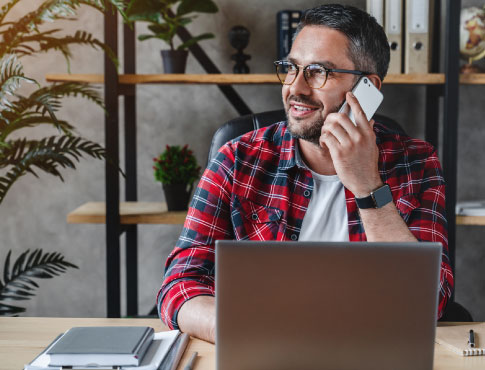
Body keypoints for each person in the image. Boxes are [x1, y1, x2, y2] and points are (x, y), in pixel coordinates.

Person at [157, 4, 453, 343]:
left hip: (370, 353)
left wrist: (367, 186)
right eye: (291, 68)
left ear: (367, 89)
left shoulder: (416, 162)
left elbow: (428, 301)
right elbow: (179, 283)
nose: (295, 88)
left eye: (318, 72)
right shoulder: (237, 160)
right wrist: (248, 330)